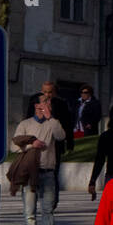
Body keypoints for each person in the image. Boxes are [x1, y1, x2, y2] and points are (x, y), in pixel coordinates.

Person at [9, 98, 66, 225]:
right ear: (36, 105)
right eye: (43, 102)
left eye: (49, 103)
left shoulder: (52, 123)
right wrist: (30, 145)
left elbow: (61, 136)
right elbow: (13, 146)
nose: (47, 105)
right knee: (30, 212)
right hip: (29, 173)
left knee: (48, 209)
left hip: (48, 172)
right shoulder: (25, 124)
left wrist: (50, 117)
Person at [27, 79, 74, 212]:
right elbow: (28, 119)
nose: (47, 94)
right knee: (34, 174)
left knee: (53, 173)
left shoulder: (61, 104)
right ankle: (33, 202)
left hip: (55, 145)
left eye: (50, 92)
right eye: (45, 91)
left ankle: (52, 202)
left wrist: (70, 143)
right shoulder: (34, 101)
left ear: (55, 93)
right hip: (36, 144)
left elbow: (67, 124)